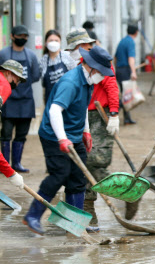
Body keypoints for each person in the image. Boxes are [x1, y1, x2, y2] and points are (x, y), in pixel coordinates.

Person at [22, 46, 113, 235]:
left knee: (78, 178)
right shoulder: (70, 82)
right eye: (102, 73)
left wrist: (86, 132)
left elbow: (82, 110)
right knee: (59, 174)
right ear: (92, 68)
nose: (103, 77)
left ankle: (75, 221)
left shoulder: (88, 82)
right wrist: (62, 139)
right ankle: (32, 215)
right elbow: (55, 110)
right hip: (53, 135)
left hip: (74, 134)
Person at [83, 48, 121, 232]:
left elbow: (112, 87)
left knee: (96, 160)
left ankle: (124, 192)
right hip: (83, 115)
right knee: (85, 162)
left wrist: (114, 113)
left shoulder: (101, 65)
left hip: (100, 114)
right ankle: (88, 210)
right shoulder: (80, 67)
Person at [0, 25, 41, 174]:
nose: (22, 39)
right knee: (6, 133)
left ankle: (17, 163)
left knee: (21, 135)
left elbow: (35, 75)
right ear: (12, 36)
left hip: (26, 100)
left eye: (25, 36)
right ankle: (4, 164)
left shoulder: (31, 55)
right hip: (8, 101)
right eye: (19, 36)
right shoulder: (3, 53)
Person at [0, 60, 28, 190]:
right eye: (17, 78)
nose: (17, 83)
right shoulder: (4, 85)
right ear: (8, 73)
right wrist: (11, 173)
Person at [40, 30, 77, 104]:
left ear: (60, 42)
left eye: (56, 40)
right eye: (51, 40)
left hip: (67, 98)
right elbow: (43, 83)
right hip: (50, 100)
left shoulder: (67, 56)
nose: (53, 43)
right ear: (46, 43)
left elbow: (75, 76)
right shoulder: (43, 60)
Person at [114, 24, 139, 125]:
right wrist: (133, 72)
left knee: (125, 94)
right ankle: (112, 112)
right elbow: (131, 59)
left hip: (119, 70)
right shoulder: (131, 42)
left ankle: (127, 119)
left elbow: (115, 58)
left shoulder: (122, 41)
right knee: (126, 95)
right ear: (136, 32)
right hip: (125, 70)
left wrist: (117, 68)